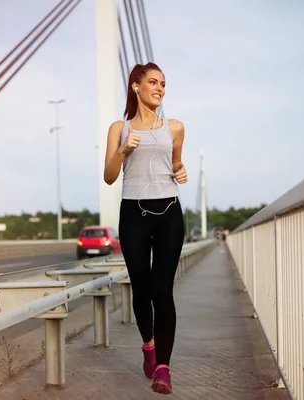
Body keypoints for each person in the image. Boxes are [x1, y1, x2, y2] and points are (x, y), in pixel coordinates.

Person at [103, 62, 187, 395]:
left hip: (169, 211)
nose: (160, 88)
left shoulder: (176, 127)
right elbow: (109, 176)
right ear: (136, 86)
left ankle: (163, 370)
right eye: (153, 82)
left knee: (162, 291)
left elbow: (176, 162)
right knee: (141, 288)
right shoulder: (118, 128)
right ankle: (148, 345)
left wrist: (181, 171)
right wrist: (123, 149)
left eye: (163, 83)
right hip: (133, 212)